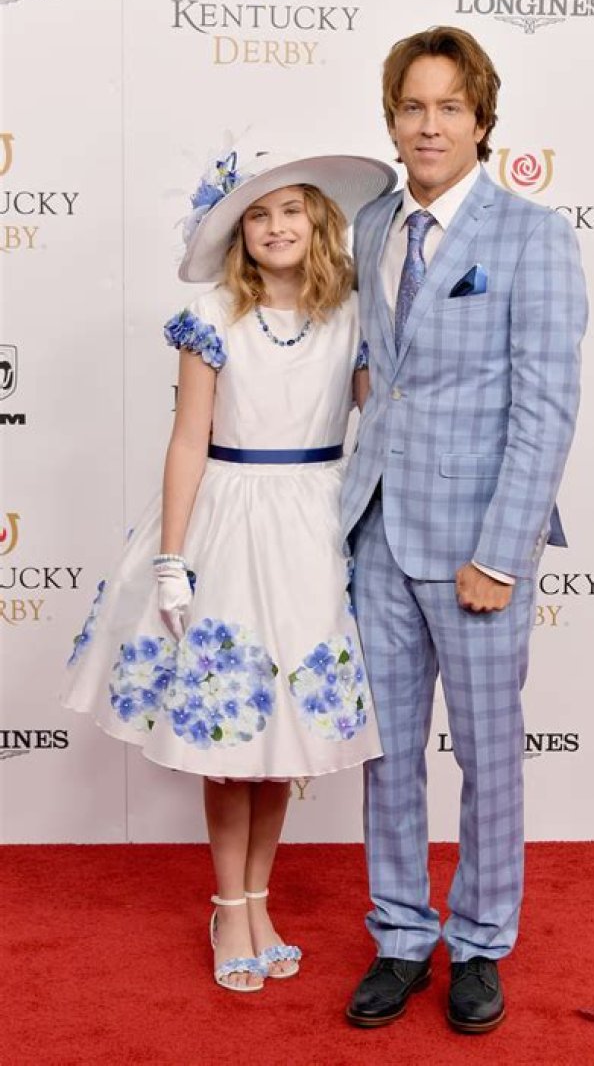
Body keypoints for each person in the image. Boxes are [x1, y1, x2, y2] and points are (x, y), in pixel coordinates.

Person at [62, 148, 395, 992]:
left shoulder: (354, 313)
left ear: (319, 220)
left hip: (315, 527)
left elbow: (384, 415)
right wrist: (172, 559)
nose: (275, 227)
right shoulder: (212, 315)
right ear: (238, 234)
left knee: (280, 743)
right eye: (257, 215)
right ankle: (228, 906)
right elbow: (188, 441)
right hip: (230, 523)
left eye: (290, 210)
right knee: (230, 735)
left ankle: (258, 899)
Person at [343, 27, 588, 1033]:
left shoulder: (534, 236)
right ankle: (402, 935)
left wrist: (502, 552)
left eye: (450, 106)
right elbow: (373, 370)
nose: (430, 125)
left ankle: (481, 941)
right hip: (376, 534)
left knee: (488, 758)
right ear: (392, 118)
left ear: (482, 121)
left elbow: (546, 410)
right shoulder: (370, 224)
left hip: (478, 547)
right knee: (388, 757)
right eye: (413, 106)